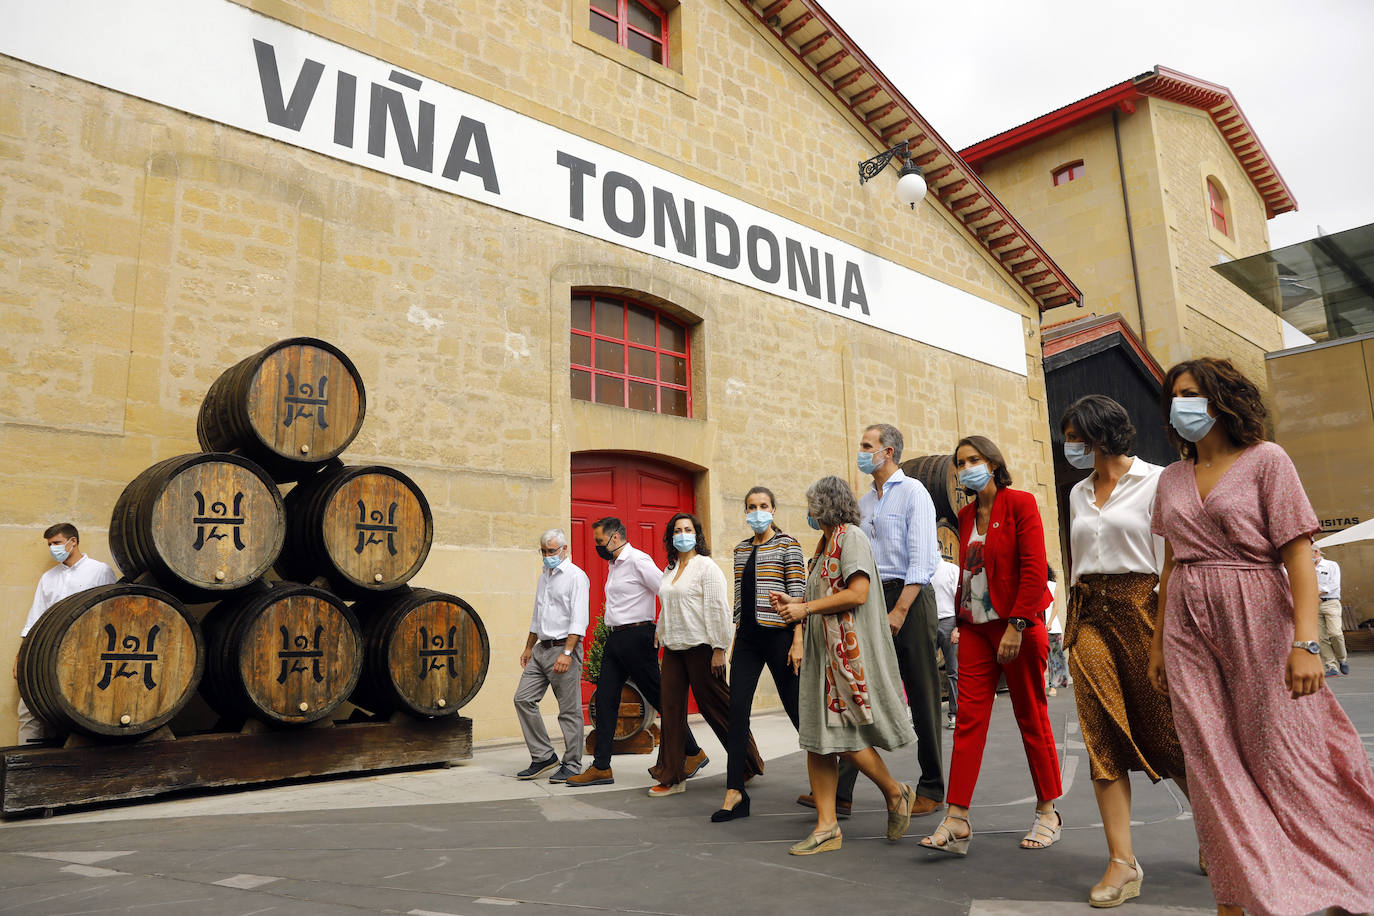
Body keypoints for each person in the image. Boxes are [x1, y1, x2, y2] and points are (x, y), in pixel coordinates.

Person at [1148, 357, 1374, 916]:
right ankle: (1239, 896)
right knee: (1210, 763)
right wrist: (1156, 643)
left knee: (1285, 754)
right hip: (1186, 627)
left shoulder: (1266, 460)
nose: (1183, 404)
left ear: (1222, 399)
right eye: (1176, 395)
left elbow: (1297, 552)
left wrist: (1307, 643)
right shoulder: (1171, 478)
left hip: (1259, 615)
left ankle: (1341, 868)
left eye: (1194, 393)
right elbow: (1172, 565)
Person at [1061, 394, 1190, 907]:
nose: (1069, 445)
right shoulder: (1076, 493)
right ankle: (1122, 862)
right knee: (1102, 733)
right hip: (1089, 613)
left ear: (1098, 434)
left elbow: (1173, 562)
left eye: (1075, 435)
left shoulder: (1160, 481)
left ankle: (1217, 829)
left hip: (1144, 609)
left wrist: (1167, 631)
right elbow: (1076, 561)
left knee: (1170, 731)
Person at [921, 436, 1062, 855]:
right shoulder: (965, 516)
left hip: (1017, 625)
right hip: (978, 630)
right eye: (961, 463)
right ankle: (958, 816)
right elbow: (971, 570)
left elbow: (1035, 568)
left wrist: (1018, 624)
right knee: (968, 721)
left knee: (1031, 718)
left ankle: (1048, 811)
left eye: (974, 460)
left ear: (994, 463)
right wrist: (964, 618)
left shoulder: (1019, 504)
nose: (967, 469)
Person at [800, 424, 942, 819]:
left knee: (922, 690)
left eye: (868, 446)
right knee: (856, 688)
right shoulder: (864, 502)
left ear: (889, 451)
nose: (862, 452)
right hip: (869, 600)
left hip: (907, 597)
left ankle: (931, 787)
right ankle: (841, 791)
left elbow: (924, 558)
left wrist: (899, 610)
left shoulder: (914, 492)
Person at [771, 475, 916, 855]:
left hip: (846, 657)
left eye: (812, 504)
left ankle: (894, 791)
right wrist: (793, 602)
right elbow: (819, 597)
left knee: (846, 738)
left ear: (825, 506)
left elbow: (858, 592)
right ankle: (827, 827)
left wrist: (805, 607)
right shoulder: (823, 546)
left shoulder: (850, 538)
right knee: (818, 740)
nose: (808, 511)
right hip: (825, 657)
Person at [567, 517, 707, 787]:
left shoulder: (637, 560)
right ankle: (601, 767)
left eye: (600, 541)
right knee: (605, 700)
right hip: (616, 638)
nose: (597, 546)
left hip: (638, 638)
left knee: (661, 698)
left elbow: (668, 592)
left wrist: (661, 627)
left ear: (615, 537)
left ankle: (693, 752)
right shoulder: (614, 564)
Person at [651, 513, 763, 798]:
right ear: (671, 536)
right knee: (671, 710)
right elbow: (667, 605)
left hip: (702, 648)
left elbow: (717, 609)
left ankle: (747, 761)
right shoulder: (670, 568)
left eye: (688, 529)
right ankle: (672, 776)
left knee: (716, 706)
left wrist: (719, 648)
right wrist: (661, 633)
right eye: (677, 530)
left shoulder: (706, 567)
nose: (682, 534)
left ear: (696, 534)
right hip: (674, 649)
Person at [714, 486, 806, 822]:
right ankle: (735, 790)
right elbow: (740, 599)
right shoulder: (740, 551)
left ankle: (832, 780)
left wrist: (798, 640)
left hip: (780, 636)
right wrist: (735, 641)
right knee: (736, 711)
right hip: (748, 640)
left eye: (763, 506)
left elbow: (798, 595)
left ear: (774, 509)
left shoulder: (788, 545)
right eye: (751, 506)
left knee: (797, 710)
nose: (757, 511)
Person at [16, 523, 117, 743]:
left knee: (77, 710)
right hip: (47, 652)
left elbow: (112, 614)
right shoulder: (49, 577)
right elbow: (35, 618)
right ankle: (24, 763)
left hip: (85, 654)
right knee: (28, 709)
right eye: (50, 544)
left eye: (57, 543)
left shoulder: (100, 571)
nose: (53, 548)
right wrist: (21, 657)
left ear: (73, 542)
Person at [513, 528, 589, 782]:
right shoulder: (544, 575)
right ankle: (543, 756)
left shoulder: (576, 577)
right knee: (523, 699)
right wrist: (527, 647)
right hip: (541, 649)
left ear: (564, 549)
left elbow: (579, 620)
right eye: (543, 552)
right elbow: (538, 615)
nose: (547, 556)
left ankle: (572, 763)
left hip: (563, 649)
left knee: (568, 711)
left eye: (552, 551)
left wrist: (567, 652)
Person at [931, 558, 960, 729]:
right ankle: (928, 715)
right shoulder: (925, 571)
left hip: (949, 620)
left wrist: (958, 627)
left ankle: (954, 713)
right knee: (925, 670)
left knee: (953, 670)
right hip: (930, 622)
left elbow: (960, 599)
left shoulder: (951, 569)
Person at [1314, 547, 1348, 676]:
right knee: (1322, 637)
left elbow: (1334, 584)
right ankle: (1331, 666)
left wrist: (1315, 593)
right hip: (1314, 605)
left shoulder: (1331, 565)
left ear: (1316, 552)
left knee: (1335, 633)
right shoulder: (1307, 568)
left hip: (1331, 603)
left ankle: (1342, 659)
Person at [1043, 568, 1068, 697]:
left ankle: (1053, 686)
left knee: (1054, 658)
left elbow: (1055, 606)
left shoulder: (1053, 586)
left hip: (1052, 627)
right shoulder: (1033, 584)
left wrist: (1050, 622)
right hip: (1037, 626)